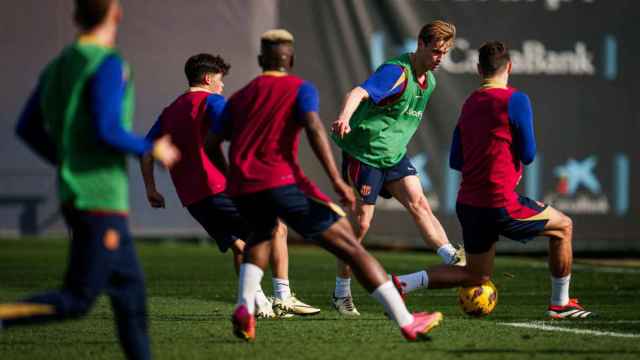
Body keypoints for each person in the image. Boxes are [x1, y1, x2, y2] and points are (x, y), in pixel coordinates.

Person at [207, 28, 443, 342]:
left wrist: (232, 178)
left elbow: (211, 144)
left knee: (261, 234)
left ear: (261, 59)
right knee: (351, 246)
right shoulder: (299, 88)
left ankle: (244, 307)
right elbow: (316, 131)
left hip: (245, 188)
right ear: (290, 59)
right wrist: (335, 179)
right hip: (282, 183)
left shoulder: (241, 95)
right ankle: (406, 320)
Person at [0, 1, 180, 359]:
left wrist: (67, 159)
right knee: (78, 299)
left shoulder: (58, 65)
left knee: (130, 293)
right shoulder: (109, 63)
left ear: (75, 17)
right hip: (98, 197)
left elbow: (27, 127)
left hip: (80, 193)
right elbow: (108, 129)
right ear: (117, 14)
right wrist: (151, 149)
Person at [392, 41, 593, 319]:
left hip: (469, 204)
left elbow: (455, 161)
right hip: (499, 202)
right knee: (564, 227)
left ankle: (401, 283)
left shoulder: (471, 102)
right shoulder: (516, 100)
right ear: (509, 66)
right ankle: (560, 304)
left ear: (478, 69)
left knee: (477, 274)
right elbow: (529, 153)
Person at [139, 53, 319, 318]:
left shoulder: (171, 110)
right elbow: (237, 128)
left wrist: (151, 189)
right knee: (277, 228)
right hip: (220, 187)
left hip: (192, 197)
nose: (222, 86)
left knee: (240, 244)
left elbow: (145, 150)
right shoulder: (212, 101)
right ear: (208, 79)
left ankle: (255, 302)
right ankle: (284, 296)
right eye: (220, 80)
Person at [329, 20, 464, 315]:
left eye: (444, 53)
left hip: (393, 156)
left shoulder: (430, 81)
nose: (439, 58)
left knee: (420, 204)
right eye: (436, 51)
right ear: (421, 44)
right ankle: (341, 293)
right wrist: (344, 118)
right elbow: (357, 93)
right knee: (361, 224)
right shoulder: (396, 72)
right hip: (364, 154)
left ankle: (454, 260)